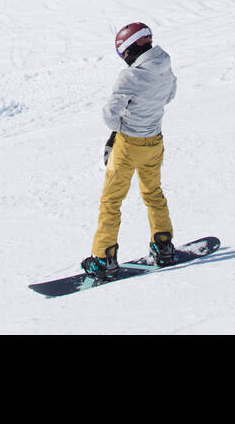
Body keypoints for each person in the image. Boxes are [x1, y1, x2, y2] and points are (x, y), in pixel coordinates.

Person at [82, 22, 176, 277]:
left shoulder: (130, 76)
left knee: (111, 201)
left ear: (132, 48)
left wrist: (123, 123)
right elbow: (169, 96)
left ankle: (103, 258)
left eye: (123, 53)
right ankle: (163, 245)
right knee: (153, 193)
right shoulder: (165, 66)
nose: (124, 59)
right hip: (154, 142)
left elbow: (110, 114)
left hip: (127, 145)